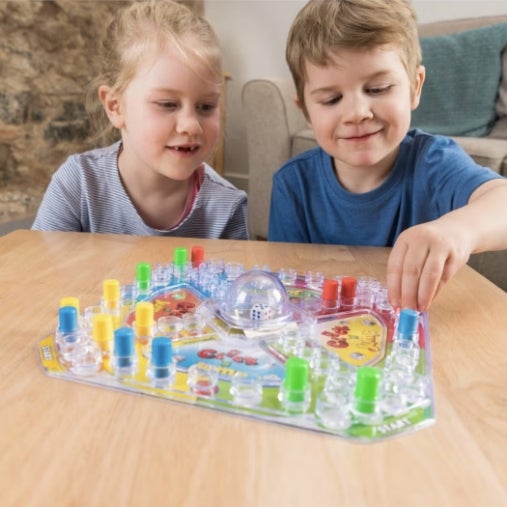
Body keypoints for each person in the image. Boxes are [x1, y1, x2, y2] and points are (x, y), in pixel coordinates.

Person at [268, 0, 507, 311]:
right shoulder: (293, 183)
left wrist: (458, 230)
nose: (357, 113)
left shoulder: (434, 162)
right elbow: (287, 286)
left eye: (378, 89)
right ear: (306, 112)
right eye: (331, 99)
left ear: (414, 88)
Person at [32, 0, 248, 240]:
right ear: (115, 107)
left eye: (206, 106)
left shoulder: (227, 206)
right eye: (168, 104)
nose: (191, 125)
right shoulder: (77, 184)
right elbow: (40, 263)